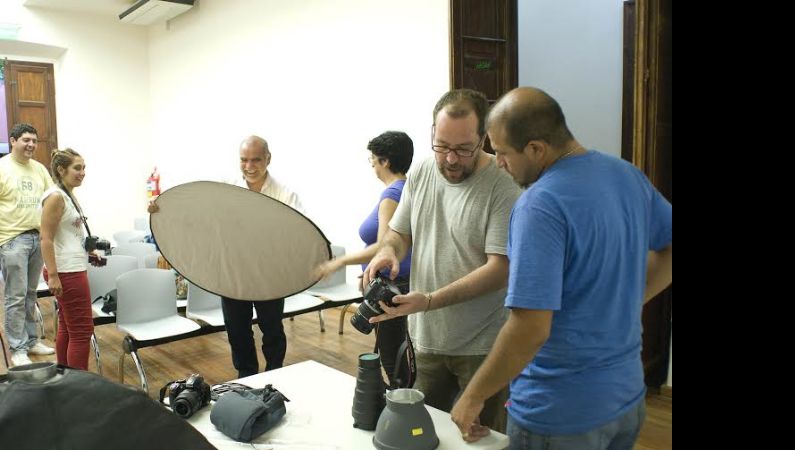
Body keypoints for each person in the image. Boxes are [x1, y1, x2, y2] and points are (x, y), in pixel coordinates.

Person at [450, 87, 673, 449]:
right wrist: (631, 299)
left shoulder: (540, 206)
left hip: (559, 414)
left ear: (536, 149)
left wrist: (474, 395)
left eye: (503, 152)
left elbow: (530, 327)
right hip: (626, 401)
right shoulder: (627, 176)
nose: (499, 162)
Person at [362, 89, 522, 432]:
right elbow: (399, 233)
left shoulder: (503, 182)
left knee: (481, 437)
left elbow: (500, 269)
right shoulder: (420, 172)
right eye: (442, 146)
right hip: (426, 340)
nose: (450, 159)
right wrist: (389, 250)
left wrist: (430, 300)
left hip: (481, 347)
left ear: (484, 138)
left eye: (463, 149)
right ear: (432, 134)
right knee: (425, 433)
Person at [149, 135, 302, 378]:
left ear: (268, 159)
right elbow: (198, 216)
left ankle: (275, 372)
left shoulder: (285, 194)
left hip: (269, 274)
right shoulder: (225, 189)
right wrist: (163, 210)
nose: (249, 166)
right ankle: (247, 375)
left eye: (256, 160)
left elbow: (296, 233)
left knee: (272, 327)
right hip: (232, 273)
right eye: (244, 160)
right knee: (237, 329)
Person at [314, 130, 414, 386]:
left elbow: (384, 245)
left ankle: (401, 410)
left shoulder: (392, 195)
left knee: (392, 358)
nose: (372, 166)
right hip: (401, 281)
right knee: (402, 354)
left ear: (385, 162)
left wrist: (338, 262)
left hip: (393, 286)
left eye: (373, 160)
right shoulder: (410, 189)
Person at [40, 148, 103, 370]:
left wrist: (88, 253)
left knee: (68, 327)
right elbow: (45, 238)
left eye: (84, 167)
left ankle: (64, 378)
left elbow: (66, 236)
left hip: (70, 267)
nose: (83, 172)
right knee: (82, 331)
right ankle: (78, 389)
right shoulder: (56, 197)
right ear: (61, 169)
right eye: (77, 167)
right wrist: (54, 275)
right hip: (66, 271)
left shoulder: (67, 194)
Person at [0, 123, 56, 367]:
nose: (31, 144)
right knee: (15, 295)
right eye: (25, 140)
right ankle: (17, 348)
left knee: (30, 294)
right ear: (13, 141)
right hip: (12, 240)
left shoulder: (40, 169)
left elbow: (53, 198)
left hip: (37, 237)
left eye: (34, 140)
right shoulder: (2, 168)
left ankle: (31, 340)